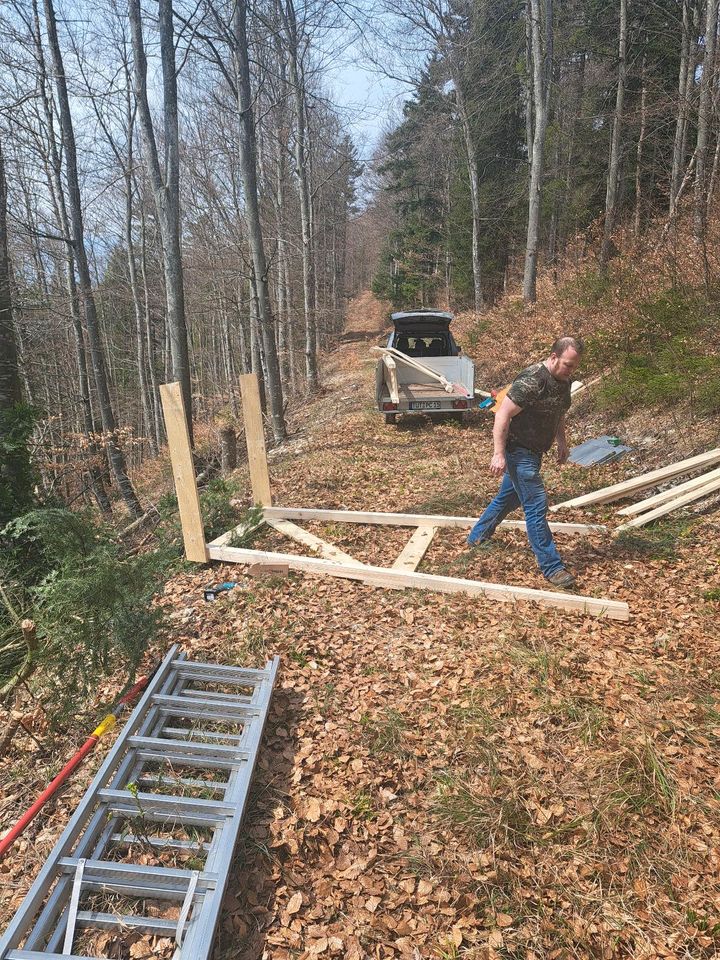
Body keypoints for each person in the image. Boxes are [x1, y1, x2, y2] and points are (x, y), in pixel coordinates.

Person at [467, 336, 584, 588]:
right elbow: (502, 415)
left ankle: (477, 536)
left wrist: (562, 442)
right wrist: (498, 453)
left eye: (574, 366)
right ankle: (552, 567)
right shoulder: (533, 380)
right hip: (518, 450)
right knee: (536, 504)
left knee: (509, 497)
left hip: (535, 451)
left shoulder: (563, 382)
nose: (570, 370)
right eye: (567, 364)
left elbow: (558, 412)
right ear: (553, 357)